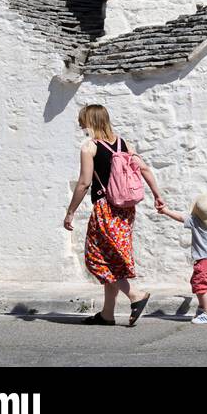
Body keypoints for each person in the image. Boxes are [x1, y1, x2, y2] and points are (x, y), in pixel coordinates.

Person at [63, 104, 164, 326]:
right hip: (126, 209)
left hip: (105, 207)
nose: (81, 126)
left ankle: (135, 295)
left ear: (89, 122)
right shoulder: (123, 143)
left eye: (83, 122)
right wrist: (157, 194)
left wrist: (70, 212)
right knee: (114, 256)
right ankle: (107, 314)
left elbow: (84, 183)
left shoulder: (89, 147)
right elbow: (144, 168)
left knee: (99, 258)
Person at [158, 186, 207, 324]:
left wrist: (165, 211)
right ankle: (201, 308)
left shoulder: (195, 221)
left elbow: (180, 217)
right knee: (196, 283)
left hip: (203, 261)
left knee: (201, 287)